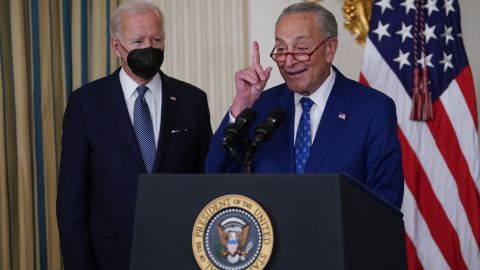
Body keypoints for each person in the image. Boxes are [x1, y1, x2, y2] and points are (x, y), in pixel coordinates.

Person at [56, 1, 212, 269]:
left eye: (156, 39)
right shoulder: (86, 104)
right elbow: (71, 203)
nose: (149, 48)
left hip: (181, 251)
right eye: (138, 41)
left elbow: (207, 182)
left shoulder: (192, 100)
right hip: (110, 255)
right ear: (117, 47)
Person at [205, 2, 403, 208]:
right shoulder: (261, 106)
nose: (288, 61)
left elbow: (385, 201)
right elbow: (217, 177)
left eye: (301, 48)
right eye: (281, 49)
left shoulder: (372, 109)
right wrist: (241, 106)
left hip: (339, 238)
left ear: (330, 49)